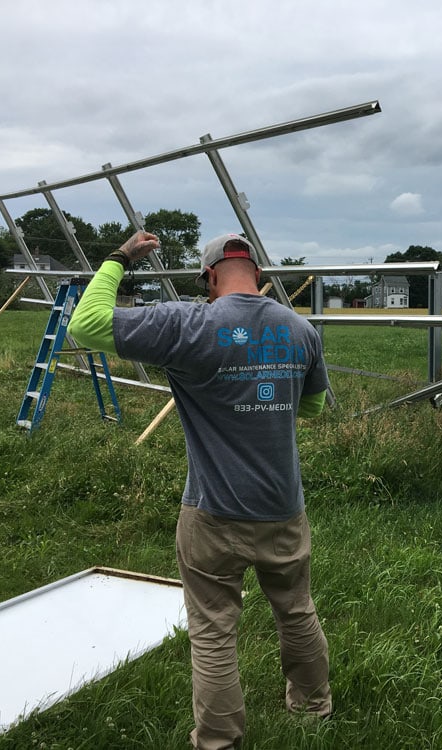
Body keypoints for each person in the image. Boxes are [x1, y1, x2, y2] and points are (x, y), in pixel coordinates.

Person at [68, 231, 332, 750]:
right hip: (282, 508)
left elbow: (86, 323)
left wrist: (120, 258)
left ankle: (218, 741)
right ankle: (314, 709)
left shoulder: (187, 322)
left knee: (213, 632)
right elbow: (313, 409)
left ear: (210, 277)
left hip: (212, 512)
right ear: (256, 272)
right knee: (296, 610)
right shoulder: (301, 331)